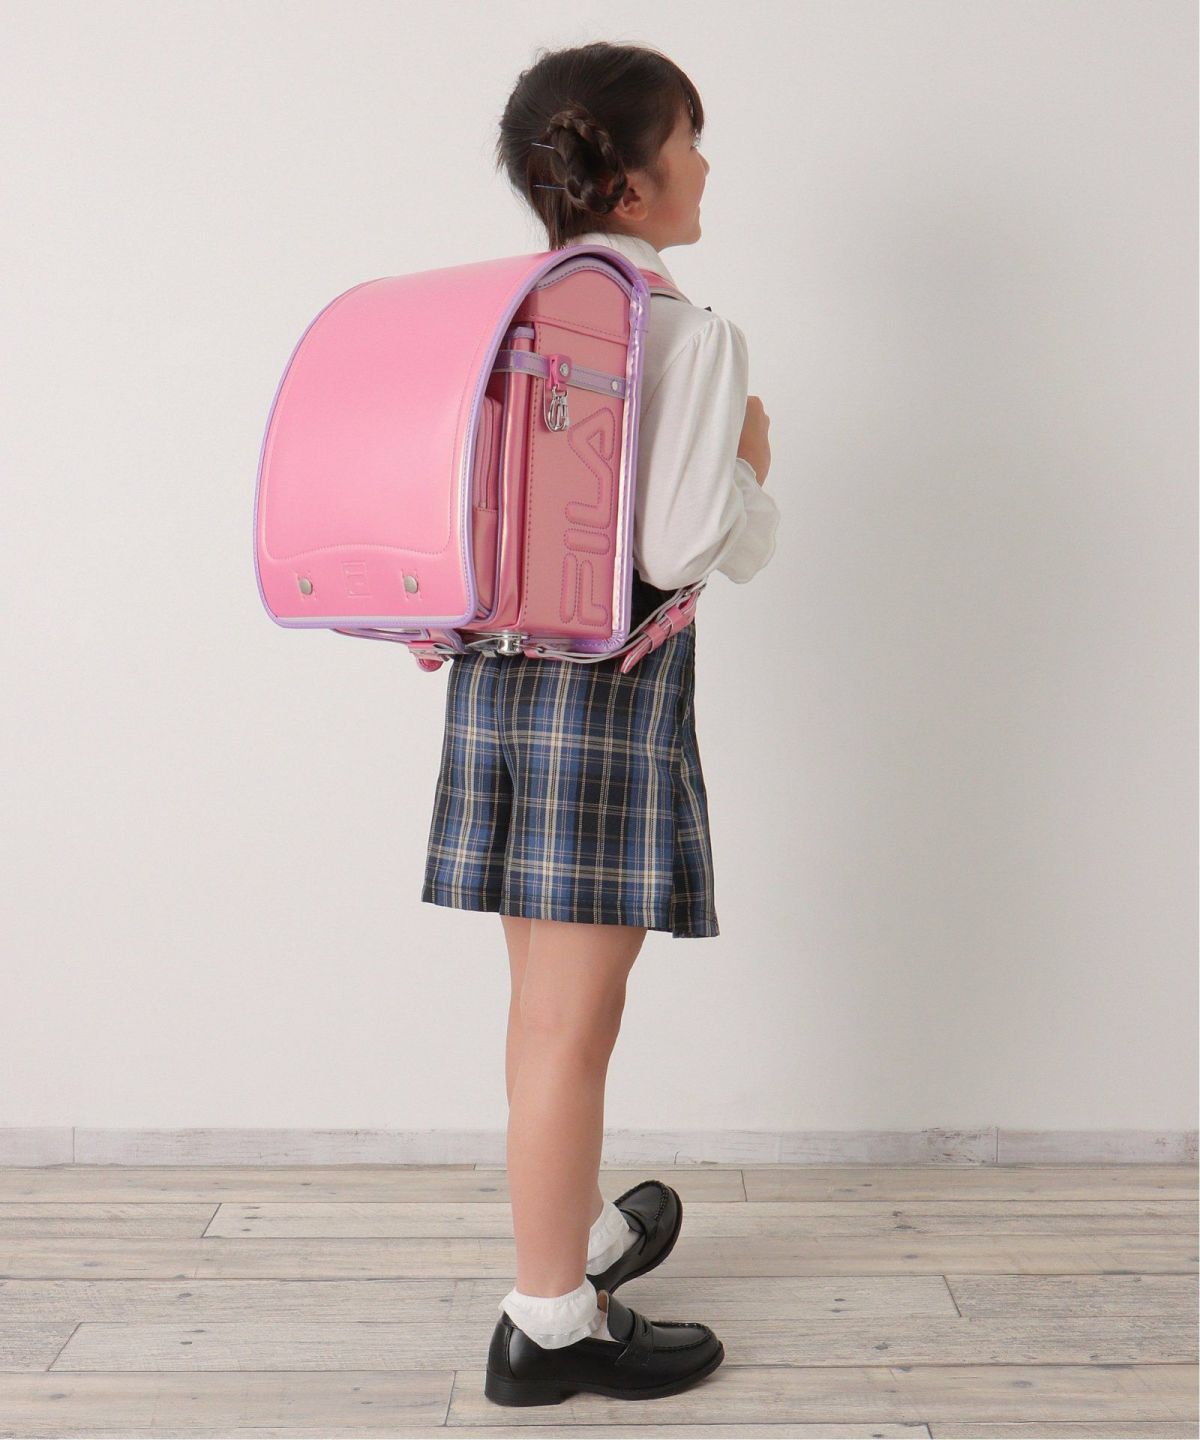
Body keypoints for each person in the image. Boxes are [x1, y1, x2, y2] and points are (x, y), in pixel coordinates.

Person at [421, 41, 779, 1405]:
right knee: (578, 1025)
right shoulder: (686, 334)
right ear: (631, 184)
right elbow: (685, 545)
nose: (705, 165)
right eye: (690, 141)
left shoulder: (509, 313)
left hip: (496, 677)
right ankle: (550, 1323)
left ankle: (566, 1235)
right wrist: (752, 469)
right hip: (605, 698)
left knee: (542, 1014)